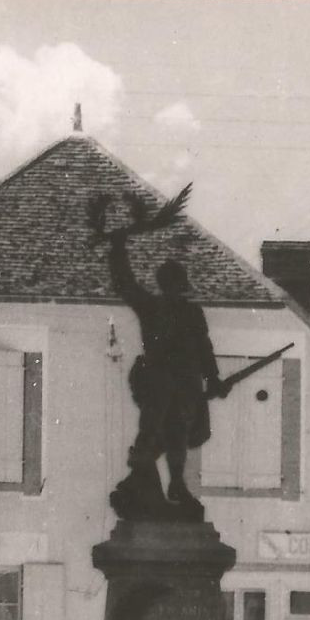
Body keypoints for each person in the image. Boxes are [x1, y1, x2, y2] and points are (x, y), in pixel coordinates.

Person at [90, 187, 226, 519]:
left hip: (178, 383)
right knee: (160, 433)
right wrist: (118, 248)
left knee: (172, 434)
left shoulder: (174, 310)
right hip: (164, 383)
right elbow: (125, 283)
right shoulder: (161, 309)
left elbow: (204, 348)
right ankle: (152, 483)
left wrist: (214, 379)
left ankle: (172, 485)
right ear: (172, 285)